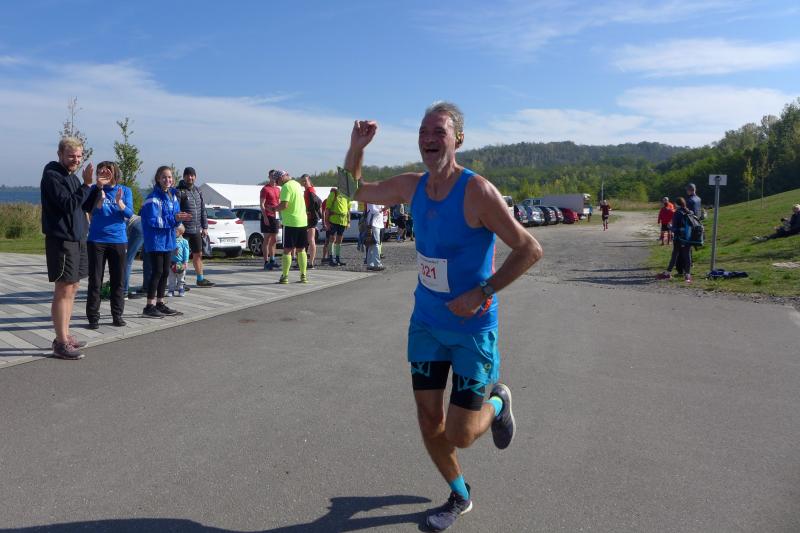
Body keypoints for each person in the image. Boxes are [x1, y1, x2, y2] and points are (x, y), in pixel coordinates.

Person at [345, 102, 542, 532]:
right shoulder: (412, 186)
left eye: (439, 131)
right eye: (423, 132)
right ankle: (459, 493)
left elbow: (530, 249)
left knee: (461, 434)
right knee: (427, 418)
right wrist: (356, 147)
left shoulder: (477, 192)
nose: (429, 139)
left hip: (471, 329)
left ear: (458, 139)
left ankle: (498, 403)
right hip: (427, 324)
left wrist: (483, 291)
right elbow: (353, 191)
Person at [41, 137, 101, 359]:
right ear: (60, 154)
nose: (76, 159)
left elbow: (84, 205)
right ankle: (60, 343)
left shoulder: (72, 177)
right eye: (71, 156)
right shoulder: (52, 175)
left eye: (79, 156)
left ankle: (65, 335)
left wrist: (97, 187)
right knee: (64, 289)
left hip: (78, 238)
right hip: (62, 240)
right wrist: (86, 184)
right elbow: (67, 204)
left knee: (73, 286)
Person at [82, 161, 133, 329]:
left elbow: (129, 213)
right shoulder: (95, 189)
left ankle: (117, 315)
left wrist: (119, 202)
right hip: (96, 240)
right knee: (95, 280)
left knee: (118, 280)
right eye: (100, 171)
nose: (104, 174)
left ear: (114, 173)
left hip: (118, 240)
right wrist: (99, 199)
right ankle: (93, 317)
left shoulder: (125, 190)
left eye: (107, 171)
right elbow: (87, 209)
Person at [141, 166, 192, 316]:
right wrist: (174, 219)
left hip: (169, 239)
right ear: (158, 179)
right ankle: (149, 306)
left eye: (169, 177)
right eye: (164, 177)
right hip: (156, 240)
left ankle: (160, 303)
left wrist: (180, 219)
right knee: (157, 272)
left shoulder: (173, 196)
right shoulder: (153, 198)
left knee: (165, 272)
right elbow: (153, 220)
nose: (167, 180)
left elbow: (175, 219)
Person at [177, 167, 214, 287]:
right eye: (187, 175)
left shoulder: (198, 191)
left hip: (196, 229)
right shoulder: (179, 191)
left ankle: (200, 279)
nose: (190, 177)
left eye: (192, 175)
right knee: (181, 257)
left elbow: (202, 210)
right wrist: (178, 227)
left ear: (195, 177)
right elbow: (175, 211)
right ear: (184, 176)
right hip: (183, 230)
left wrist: (205, 227)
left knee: (198, 255)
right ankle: (180, 282)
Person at [274, 170, 309, 284]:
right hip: (302, 221)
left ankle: (285, 276)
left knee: (287, 250)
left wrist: (274, 208)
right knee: (301, 249)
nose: (277, 183)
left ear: (282, 177)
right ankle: (303, 275)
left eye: (277, 181)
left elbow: (285, 205)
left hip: (291, 222)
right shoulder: (297, 184)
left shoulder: (286, 187)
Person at [657, 197, 693, 283]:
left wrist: (670, 227)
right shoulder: (689, 212)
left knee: (675, 254)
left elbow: (675, 228)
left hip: (679, 238)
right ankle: (688, 275)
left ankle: (668, 273)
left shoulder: (677, 213)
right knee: (687, 255)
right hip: (688, 237)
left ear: (676, 204)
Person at [260, 169, 282, 270]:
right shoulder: (265, 189)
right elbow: (262, 204)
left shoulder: (278, 189)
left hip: (275, 216)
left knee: (274, 239)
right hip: (267, 216)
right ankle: (266, 261)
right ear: (269, 177)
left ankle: (272, 260)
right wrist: (265, 217)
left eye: (275, 175)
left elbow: (279, 203)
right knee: (267, 239)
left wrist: (280, 217)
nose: (273, 177)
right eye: (272, 175)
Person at [324, 187, 350, 266]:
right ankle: (331, 259)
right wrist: (326, 222)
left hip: (343, 221)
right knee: (332, 238)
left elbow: (348, 210)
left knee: (339, 239)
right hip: (333, 220)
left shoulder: (347, 196)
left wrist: (348, 222)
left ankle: (338, 259)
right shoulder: (333, 194)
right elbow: (327, 209)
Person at [301, 174, 322, 269]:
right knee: (306, 240)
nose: (304, 183)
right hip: (309, 218)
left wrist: (309, 212)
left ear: (309, 180)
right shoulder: (307, 191)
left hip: (311, 218)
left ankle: (311, 263)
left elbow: (318, 202)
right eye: (302, 181)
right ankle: (305, 261)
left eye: (305, 181)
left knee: (310, 239)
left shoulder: (310, 190)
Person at [168, 224, 190, 296]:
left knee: (181, 278)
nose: (173, 232)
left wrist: (185, 262)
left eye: (175, 231)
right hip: (171, 263)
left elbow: (186, 252)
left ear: (181, 232)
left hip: (181, 263)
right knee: (171, 278)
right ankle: (171, 290)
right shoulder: (170, 240)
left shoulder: (184, 241)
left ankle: (181, 289)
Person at [365, 202, 385, 271]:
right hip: (374, 223)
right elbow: (373, 210)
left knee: (372, 244)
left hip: (377, 223)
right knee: (376, 243)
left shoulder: (379, 199)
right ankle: (377, 264)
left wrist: (383, 208)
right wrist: (383, 209)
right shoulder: (372, 198)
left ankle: (370, 264)